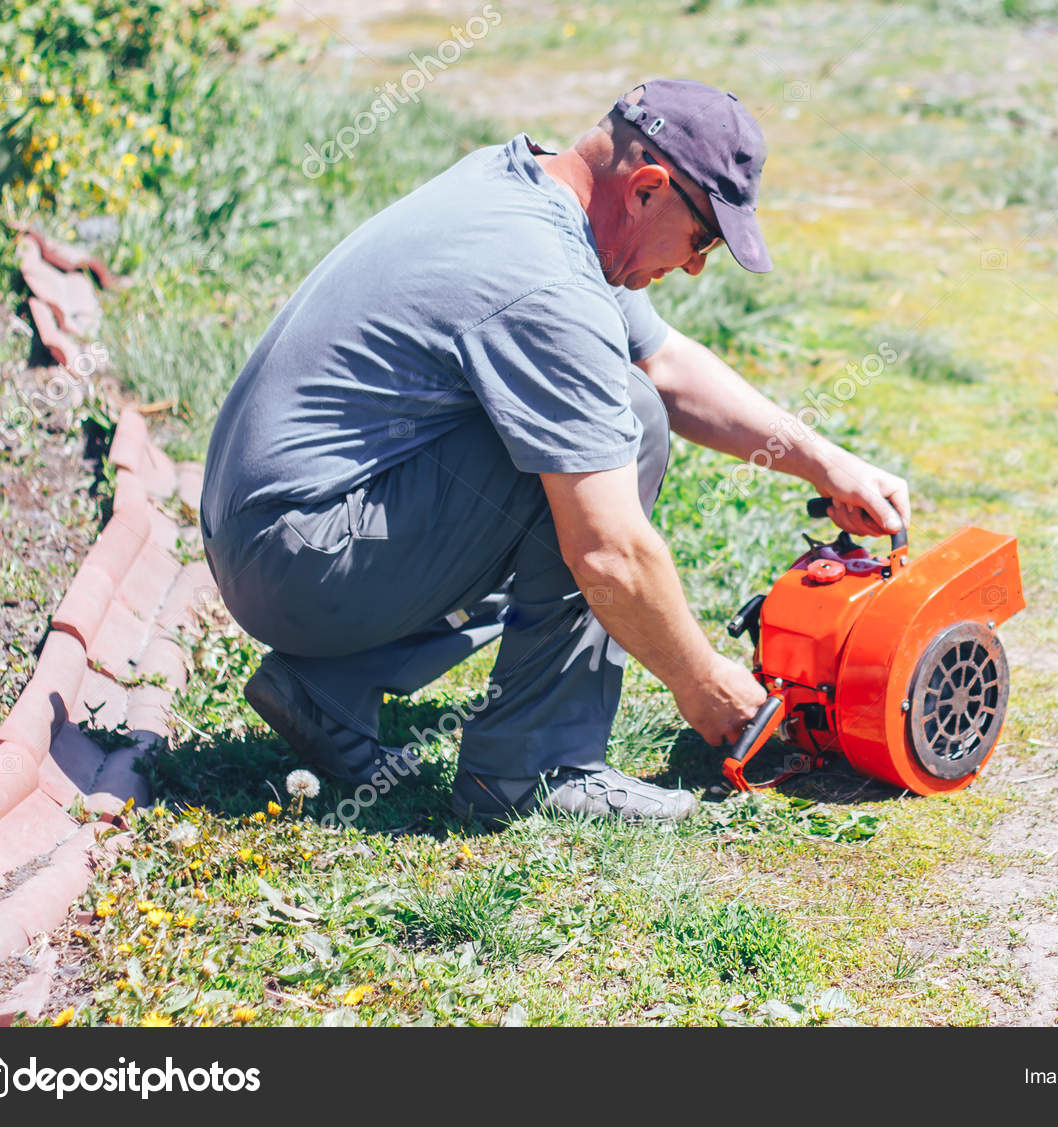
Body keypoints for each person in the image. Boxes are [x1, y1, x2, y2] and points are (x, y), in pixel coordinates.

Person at [199, 78, 910, 824]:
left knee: (613, 406)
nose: (698, 266)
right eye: (703, 238)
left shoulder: (526, 188)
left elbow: (662, 361)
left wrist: (826, 461)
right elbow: (608, 551)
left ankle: (330, 686)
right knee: (618, 431)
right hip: (298, 553)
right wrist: (705, 684)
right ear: (646, 188)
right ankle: (536, 766)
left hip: (273, 534)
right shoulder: (544, 277)